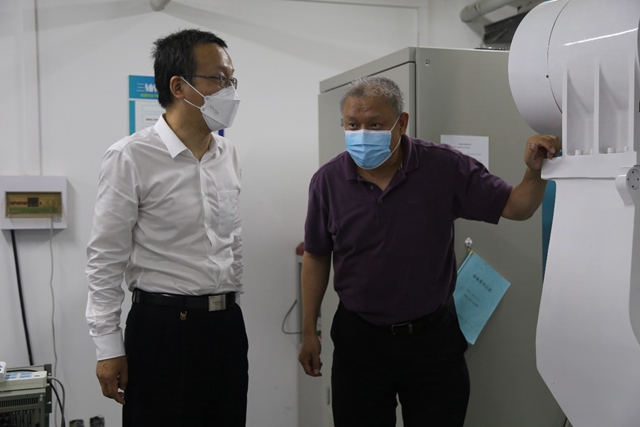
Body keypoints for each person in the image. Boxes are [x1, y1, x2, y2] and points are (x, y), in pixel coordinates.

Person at [298, 76, 560, 427]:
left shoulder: (443, 166)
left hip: (432, 339)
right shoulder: (327, 181)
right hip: (360, 340)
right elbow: (316, 255)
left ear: (402, 123)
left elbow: (516, 206)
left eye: (375, 124)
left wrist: (534, 173)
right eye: (352, 124)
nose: (362, 134)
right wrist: (309, 331)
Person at [85, 29, 247, 426]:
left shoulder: (227, 154)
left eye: (232, 80)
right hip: (163, 329)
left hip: (225, 325)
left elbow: (232, 240)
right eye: (219, 78)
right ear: (179, 86)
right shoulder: (131, 156)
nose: (229, 91)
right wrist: (107, 347)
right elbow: (105, 258)